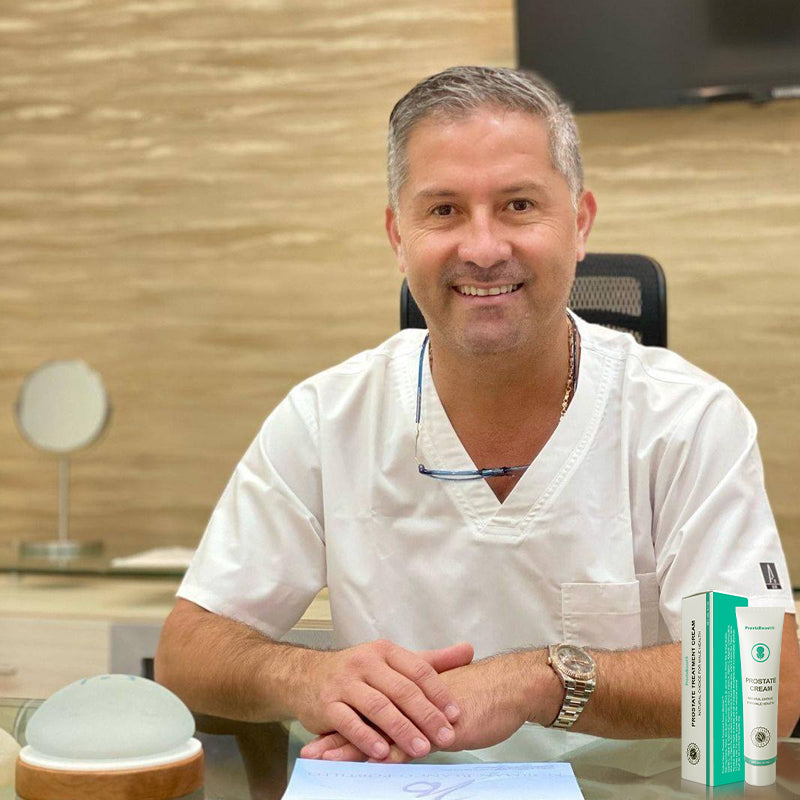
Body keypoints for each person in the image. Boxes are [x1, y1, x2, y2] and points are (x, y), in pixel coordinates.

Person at [155, 66, 800, 763]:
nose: (484, 249)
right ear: (397, 237)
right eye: (443, 211)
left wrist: (539, 681)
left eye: (519, 205)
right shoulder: (325, 418)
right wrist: (304, 676)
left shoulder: (687, 420)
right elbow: (186, 654)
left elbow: (766, 687)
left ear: (580, 224)